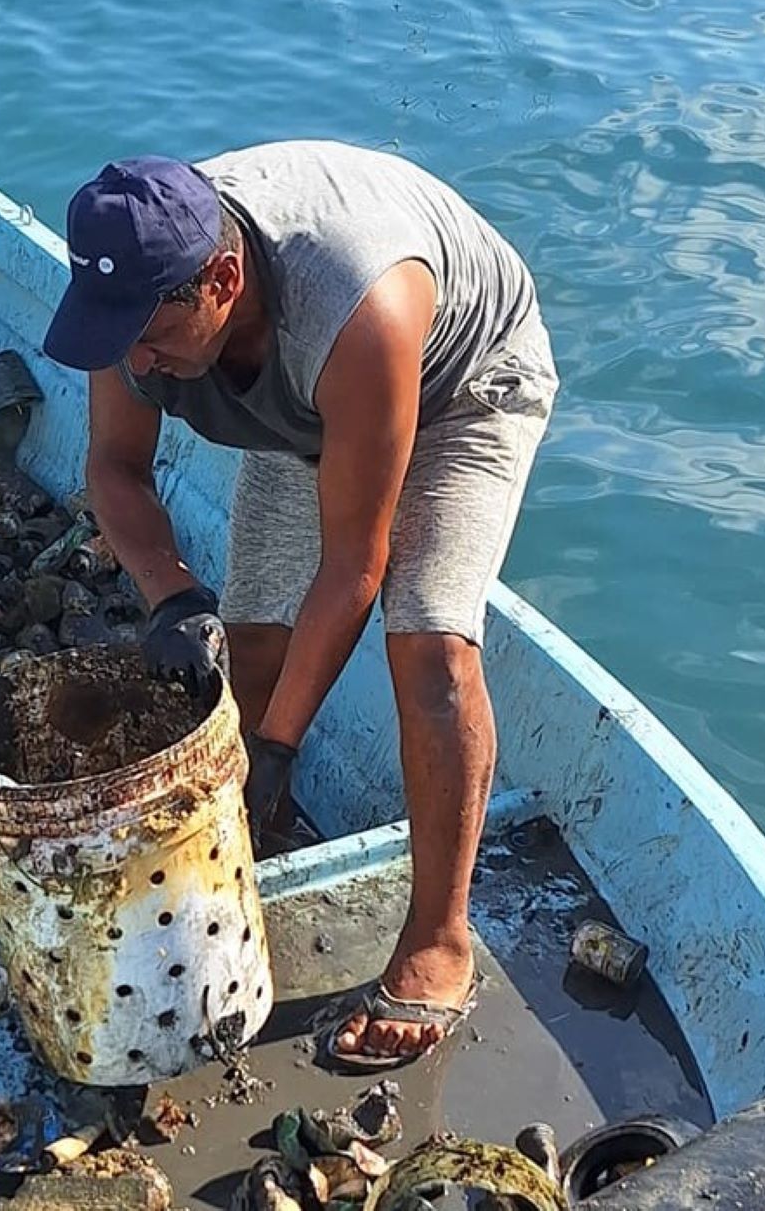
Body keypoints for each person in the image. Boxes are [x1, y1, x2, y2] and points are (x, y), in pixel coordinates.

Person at [42, 141, 558, 1071]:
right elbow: (114, 469)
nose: (136, 361)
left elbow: (356, 565)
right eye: (118, 340)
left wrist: (276, 746)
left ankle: (440, 938)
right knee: (246, 641)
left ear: (225, 280)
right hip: (304, 402)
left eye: (150, 338)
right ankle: (243, 841)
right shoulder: (136, 303)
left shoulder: (359, 309)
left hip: (459, 383)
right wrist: (173, 598)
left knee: (430, 640)